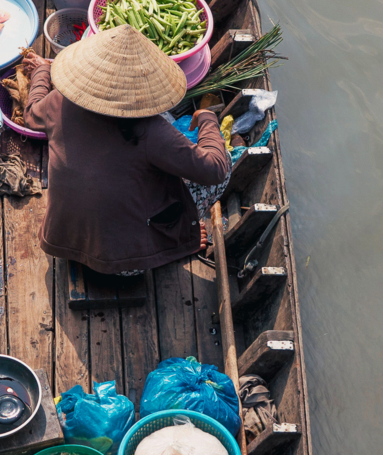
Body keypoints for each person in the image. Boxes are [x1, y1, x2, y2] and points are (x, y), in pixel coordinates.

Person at [22, 23, 230, 277]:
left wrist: (42, 72)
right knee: (225, 161)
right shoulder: (150, 130)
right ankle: (175, 241)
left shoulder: (59, 102)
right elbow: (216, 170)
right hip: (125, 265)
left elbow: (31, 113)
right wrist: (208, 118)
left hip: (62, 240)